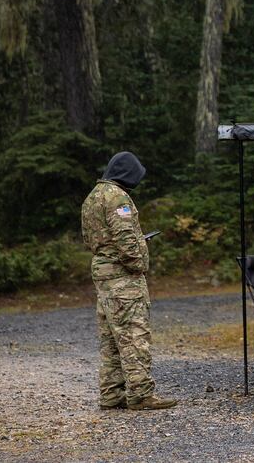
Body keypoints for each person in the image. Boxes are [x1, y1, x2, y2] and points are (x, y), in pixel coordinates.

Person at [80, 151, 176, 411]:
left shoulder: (93, 196)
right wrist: (138, 264)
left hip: (103, 273)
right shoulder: (117, 197)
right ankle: (141, 394)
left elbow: (92, 238)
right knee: (134, 334)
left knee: (112, 338)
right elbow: (124, 239)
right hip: (123, 277)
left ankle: (112, 394)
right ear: (127, 174)